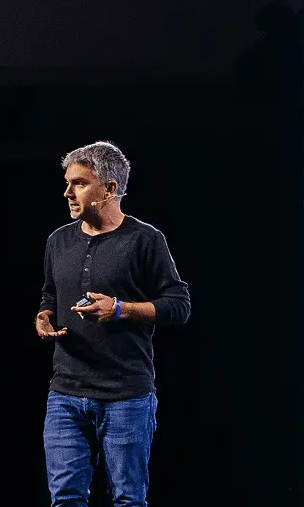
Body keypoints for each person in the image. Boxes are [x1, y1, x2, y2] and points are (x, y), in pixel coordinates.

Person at [35, 140, 191, 507]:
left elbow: (179, 305)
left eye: (79, 183)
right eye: (68, 182)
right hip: (66, 394)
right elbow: (49, 295)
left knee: (127, 500)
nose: (67, 192)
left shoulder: (145, 240)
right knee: (66, 498)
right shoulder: (58, 241)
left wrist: (121, 309)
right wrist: (44, 315)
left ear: (109, 189)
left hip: (126, 395)